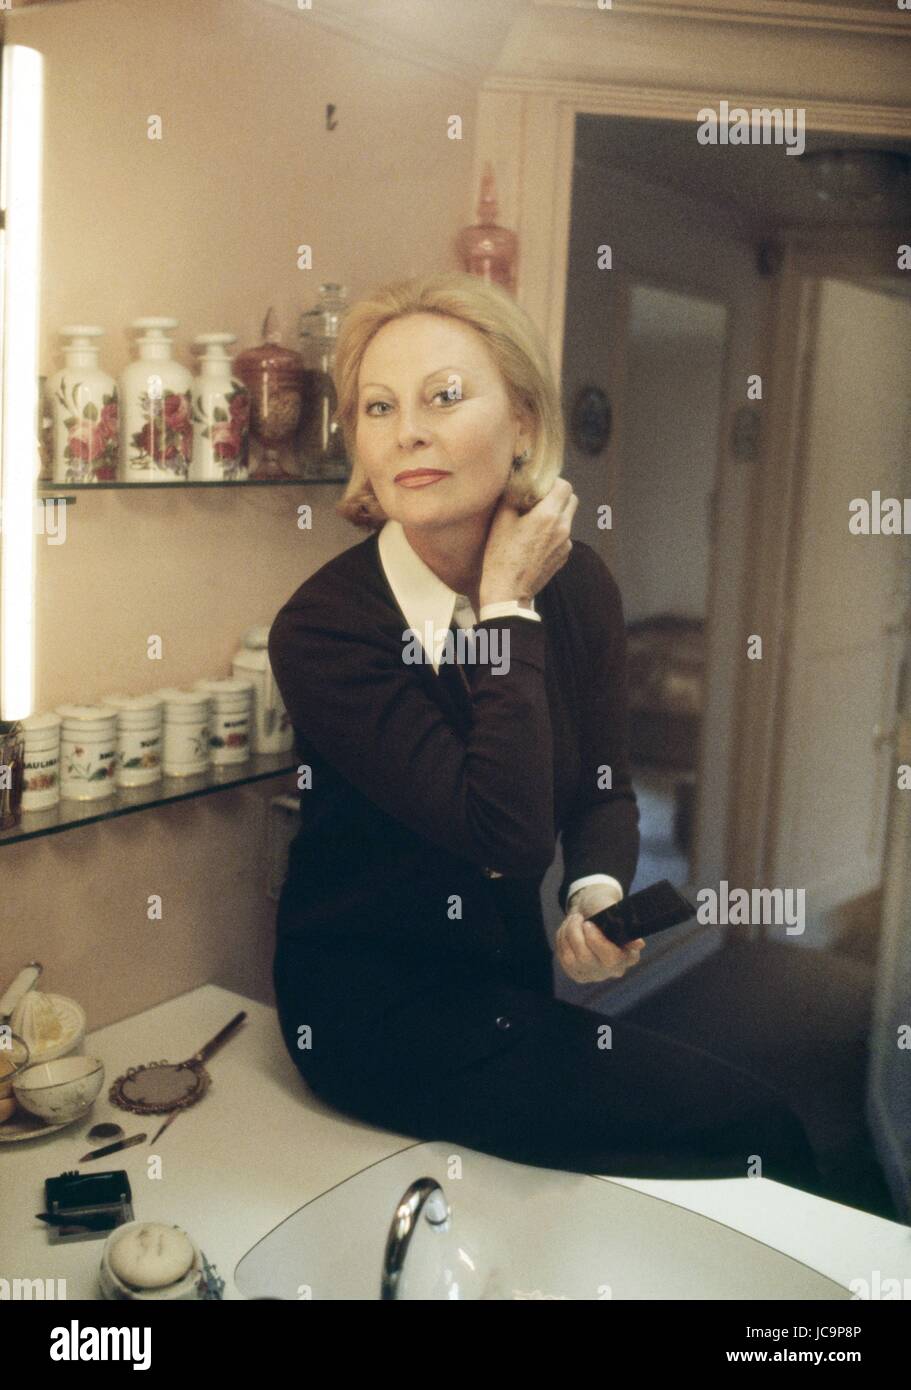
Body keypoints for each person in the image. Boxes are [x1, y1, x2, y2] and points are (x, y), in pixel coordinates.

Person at [267, 270, 825, 1198]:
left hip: (511, 984)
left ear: (524, 421)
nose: (407, 430)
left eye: (444, 397)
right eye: (377, 407)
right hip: (373, 1013)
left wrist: (592, 891)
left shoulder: (579, 585)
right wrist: (506, 606)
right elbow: (504, 833)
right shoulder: (326, 630)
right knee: (758, 1135)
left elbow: (602, 784)